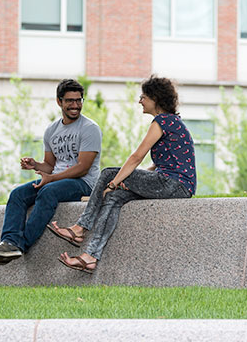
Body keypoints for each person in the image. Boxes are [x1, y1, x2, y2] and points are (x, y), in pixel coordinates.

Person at [49, 75, 195, 273]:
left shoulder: (162, 121)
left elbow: (136, 157)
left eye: (144, 96)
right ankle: (90, 257)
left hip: (173, 183)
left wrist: (114, 182)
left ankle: (80, 228)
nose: (140, 101)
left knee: (109, 173)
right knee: (115, 198)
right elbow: (158, 165)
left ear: (156, 99)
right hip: (174, 184)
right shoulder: (172, 122)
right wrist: (129, 182)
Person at [0, 78, 102, 264]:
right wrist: (36, 165)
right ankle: (9, 242)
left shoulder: (90, 129)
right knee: (18, 194)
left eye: (79, 100)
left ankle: (20, 244)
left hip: (84, 183)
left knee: (48, 191)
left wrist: (52, 178)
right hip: (57, 180)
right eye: (70, 100)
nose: (75, 105)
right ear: (59, 101)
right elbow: (50, 164)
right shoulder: (52, 130)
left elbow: (82, 168)